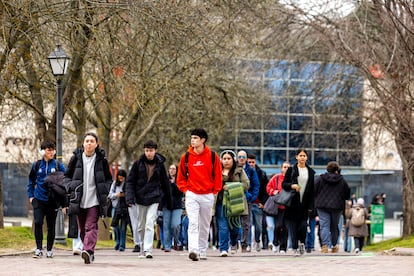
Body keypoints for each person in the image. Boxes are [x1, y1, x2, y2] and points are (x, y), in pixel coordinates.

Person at [64, 132, 112, 264]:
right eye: (87, 141)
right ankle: (89, 251)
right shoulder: (76, 158)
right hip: (79, 199)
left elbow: (109, 178)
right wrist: (70, 187)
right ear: (83, 143)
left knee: (91, 226)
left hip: (95, 200)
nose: (89, 143)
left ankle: (88, 250)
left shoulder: (102, 160)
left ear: (96, 144)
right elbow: (67, 176)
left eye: (92, 141)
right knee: (83, 228)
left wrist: (105, 189)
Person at [176, 128, 222, 261]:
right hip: (192, 194)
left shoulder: (213, 156)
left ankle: (202, 250)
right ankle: (193, 250)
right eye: (192, 138)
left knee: (205, 224)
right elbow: (181, 176)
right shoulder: (186, 157)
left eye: (195, 138)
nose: (192, 140)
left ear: (203, 140)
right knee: (193, 222)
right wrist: (185, 190)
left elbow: (218, 176)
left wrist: (215, 191)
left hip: (208, 194)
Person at [125, 140, 172, 259]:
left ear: (155, 151)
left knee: (150, 223)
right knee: (141, 225)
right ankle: (141, 246)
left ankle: (148, 249)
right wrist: (129, 198)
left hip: (154, 197)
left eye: (151, 150)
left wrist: (168, 199)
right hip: (140, 197)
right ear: (144, 151)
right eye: (146, 150)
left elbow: (165, 182)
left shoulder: (160, 164)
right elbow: (130, 182)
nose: (149, 153)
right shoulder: (137, 164)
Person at [27, 141, 66, 258]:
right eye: (48, 150)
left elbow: (65, 183)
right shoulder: (37, 165)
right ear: (43, 151)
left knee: (51, 226)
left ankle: (49, 250)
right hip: (38, 199)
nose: (51, 152)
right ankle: (38, 248)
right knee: (38, 223)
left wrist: (64, 203)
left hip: (52, 201)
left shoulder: (58, 165)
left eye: (52, 150)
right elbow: (31, 181)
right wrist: (31, 196)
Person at [282, 149, 315, 256]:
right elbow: (284, 184)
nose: (302, 157)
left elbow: (312, 190)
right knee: (293, 227)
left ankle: (302, 243)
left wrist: (311, 205)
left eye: (304, 155)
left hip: (305, 204)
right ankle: (295, 247)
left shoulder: (310, 172)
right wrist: (292, 185)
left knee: (303, 226)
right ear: (296, 157)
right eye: (300, 155)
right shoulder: (291, 170)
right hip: (292, 203)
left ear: (307, 157)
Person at [216, 150, 249, 257]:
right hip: (220, 203)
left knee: (235, 228)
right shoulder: (216, 171)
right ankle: (223, 249)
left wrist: (230, 187)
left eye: (228, 159)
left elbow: (246, 184)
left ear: (233, 160)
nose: (226, 161)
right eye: (224, 159)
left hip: (235, 203)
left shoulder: (239, 171)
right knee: (223, 227)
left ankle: (234, 242)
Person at [314, 161, 350, 253]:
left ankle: (325, 245)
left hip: (322, 206)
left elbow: (313, 190)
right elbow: (347, 194)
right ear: (337, 169)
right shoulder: (341, 180)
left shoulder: (320, 178)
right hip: (337, 206)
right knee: (334, 226)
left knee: (324, 226)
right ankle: (334, 245)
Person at [236, 150, 259, 253]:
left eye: (243, 157)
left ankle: (245, 244)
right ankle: (234, 242)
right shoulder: (234, 168)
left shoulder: (251, 170)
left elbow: (256, 184)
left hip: (247, 199)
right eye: (239, 156)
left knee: (246, 223)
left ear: (246, 158)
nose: (241, 158)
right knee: (235, 222)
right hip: (235, 199)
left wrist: (252, 197)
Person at [266, 162, 290, 254]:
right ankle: (275, 243)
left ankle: (283, 247)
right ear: (281, 168)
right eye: (284, 167)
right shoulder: (276, 178)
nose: (286, 168)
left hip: (288, 207)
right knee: (278, 226)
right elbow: (268, 187)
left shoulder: (293, 179)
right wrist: (273, 191)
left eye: (288, 167)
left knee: (286, 227)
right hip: (278, 206)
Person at [247, 153, 268, 251]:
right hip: (248, 203)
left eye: (252, 162)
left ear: (255, 162)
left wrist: (263, 203)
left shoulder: (261, 174)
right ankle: (247, 245)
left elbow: (265, 190)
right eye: (249, 162)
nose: (251, 164)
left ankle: (257, 241)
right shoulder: (243, 172)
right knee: (248, 225)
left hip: (258, 204)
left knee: (259, 226)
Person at [162, 164, 184, 252]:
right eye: (170, 169)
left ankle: (177, 241)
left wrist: (173, 185)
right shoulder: (165, 180)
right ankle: (167, 246)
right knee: (166, 226)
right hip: (167, 205)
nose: (172, 170)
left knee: (175, 225)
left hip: (177, 206)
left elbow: (180, 191)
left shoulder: (180, 180)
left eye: (174, 169)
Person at [108, 169, 129, 252]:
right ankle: (117, 241)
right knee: (115, 226)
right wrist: (117, 195)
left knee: (123, 227)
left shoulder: (127, 184)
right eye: (119, 178)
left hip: (124, 208)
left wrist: (124, 195)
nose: (121, 180)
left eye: (122, 178)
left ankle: (122, 245)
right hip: (115, 207)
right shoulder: (114, 184)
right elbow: (110, 195)